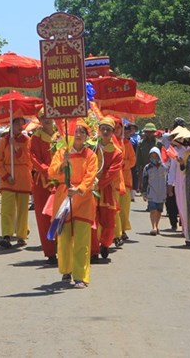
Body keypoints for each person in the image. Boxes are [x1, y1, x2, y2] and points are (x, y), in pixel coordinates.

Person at [48, 120, 98, 289]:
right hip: (64, 197)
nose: (78, 134)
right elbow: (51, 172)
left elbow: (90, 176)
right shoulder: (62, 152)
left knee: (82, 240)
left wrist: (79, 189)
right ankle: (66, 270)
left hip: (83, 199)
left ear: (86, 136)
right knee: (63, 238)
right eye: (75, 131)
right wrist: (63, 163)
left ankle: (80, 276)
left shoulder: (91, 155)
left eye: (82, 132)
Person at [0, 115, 32, 248]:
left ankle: (21, 235)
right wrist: (5, 176)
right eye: (17, 124)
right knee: (7, 209)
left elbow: (28, 160)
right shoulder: (4, 140)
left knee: (22, 209)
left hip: (22, 178)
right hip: (8, 179)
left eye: (22, 124)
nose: (20, 127)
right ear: (11, 125)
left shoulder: (27, 140)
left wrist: (16, 148)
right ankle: (6, 235)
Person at [92, 117, 123, 260]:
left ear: (113, 132)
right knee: (92, 219)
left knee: (109, 221)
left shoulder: (117, 152)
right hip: (90, 187)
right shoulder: (91, 146)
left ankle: (105, 243)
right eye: (102, 128)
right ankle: (93, 249)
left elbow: (112, 173)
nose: (105, 131)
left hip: (106, 189)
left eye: (108, 129)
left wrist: (97, 184)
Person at [29, 111, 57, 263]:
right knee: (44, 217)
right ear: (39, 119)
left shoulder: (60, 135)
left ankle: (63, 247)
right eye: (43, 117)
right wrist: (48, 170)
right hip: (42, 182)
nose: (47, 120)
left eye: (50, 116)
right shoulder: (36, 137)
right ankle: (50, 251)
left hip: (59, 180)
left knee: (60, 214)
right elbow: (33, 158)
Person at [115, 120, 136, 243]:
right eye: (115, 127)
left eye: (119, 127)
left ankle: (122, 230)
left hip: (125, 180)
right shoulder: (108, 143)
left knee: (124, 207)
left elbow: (133, 160)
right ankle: (115, 232)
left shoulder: (126, 143)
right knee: (114, 207)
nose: (117, 130)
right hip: (112, 181)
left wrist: (124, 164)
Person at [142, 147, 168, 236]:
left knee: (159, 210)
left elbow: (168, 179)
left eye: (156, 156)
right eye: (152, 156)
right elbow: (144, 180)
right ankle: (153, 227)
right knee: (152, 210)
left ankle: (157, 225)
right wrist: (144, 193)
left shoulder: (164, 167)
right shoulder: (147, 168)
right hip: (151, 191)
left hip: (162, 192)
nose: (154, 158)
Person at [135, 123, 160, 192]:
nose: (149, 133)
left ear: (154, 132)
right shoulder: (140, 144)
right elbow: (138, 159)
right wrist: (139, 171)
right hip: (144, 170)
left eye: (151, 132)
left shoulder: (158, 143)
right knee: (146, 190)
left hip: (156, 170)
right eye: (147, 132)